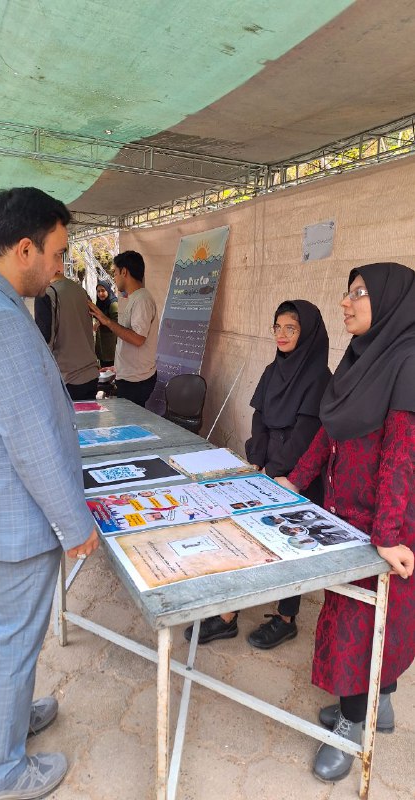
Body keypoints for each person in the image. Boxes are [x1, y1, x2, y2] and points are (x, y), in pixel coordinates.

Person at [0, 187, 99, 800]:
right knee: (13, 643)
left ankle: (13, 724)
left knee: (10, 636)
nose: (58, 270)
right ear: (24, 248)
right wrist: (76, 526)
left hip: (0, 504)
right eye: (56, 254)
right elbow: (32, 441)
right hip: (17, 515)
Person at [277, 262, 415, 783]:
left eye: (358, 294)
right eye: (347, 292)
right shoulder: (359, 358)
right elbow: (330, 430)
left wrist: (387, 535)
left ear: (391, 301)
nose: (345, 302)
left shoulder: (408, 360)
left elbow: (403, 454)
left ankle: (354, 727)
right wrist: (297, 478)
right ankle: (375, 707)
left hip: (384, 523)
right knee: (366, 616)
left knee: (359, 623)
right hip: (345, 516)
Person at [184, 300, 331, 647]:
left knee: (289, 541)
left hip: (298, 475)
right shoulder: (271, 370)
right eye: (277, 327)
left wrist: (274, 470)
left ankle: (286, 617)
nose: (281, 335)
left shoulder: (321, 378)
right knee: (243, 534)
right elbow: (259, 418)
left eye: (290, 328)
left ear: (307, 332)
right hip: (265, 466)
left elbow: (306, 435)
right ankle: (228, 614)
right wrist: (258, 461)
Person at [88, 250, 158, 407]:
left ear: (124, 271)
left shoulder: (142, 300)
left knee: (132, 426)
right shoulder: (135, 298)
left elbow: (138, 339)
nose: (114, 277)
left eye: (115, 273)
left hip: (136, 381)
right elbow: (130, 340)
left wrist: (106, 321)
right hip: (130, 376)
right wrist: (117, 367)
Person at [35, 270, 99, 401]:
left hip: (67, 380)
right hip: (91, 375)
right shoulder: (80, 290)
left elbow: (44, 341)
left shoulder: (47, 294)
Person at [94, 280, 118, 366]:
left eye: (103, 290)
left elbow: (117, 324)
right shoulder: (100, 303)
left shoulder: (113, 304)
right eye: (98, 291)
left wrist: (101, 322)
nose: (100, 293)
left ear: (108, 290)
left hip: (111, 347)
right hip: (102, 346)